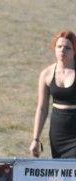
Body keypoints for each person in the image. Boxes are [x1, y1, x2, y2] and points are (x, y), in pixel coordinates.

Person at [30, 30, 76, 159]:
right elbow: (42, 108)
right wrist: (35, 139)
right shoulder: (47, 74)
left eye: (67, 47)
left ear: (74, 51)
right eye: (59, 46)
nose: (62, 50)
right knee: (62, 174)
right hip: (58, 132)